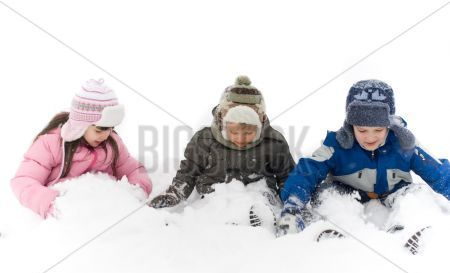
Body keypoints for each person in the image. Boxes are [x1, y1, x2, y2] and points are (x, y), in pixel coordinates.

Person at [278, 79, 450, 234]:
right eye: (362, 130)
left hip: (394, 192)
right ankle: (334, 231)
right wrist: (294, 201)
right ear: (351, 125)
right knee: (328, 194)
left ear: (389, 125)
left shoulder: (403, 143)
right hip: (348, 193)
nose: (370, 137)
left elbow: (438, 172)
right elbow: (308, 170)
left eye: (378, 130)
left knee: (415, 194)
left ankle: (407, 230)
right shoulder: (336, 144)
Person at [149, 76, 294, 226]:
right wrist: (175, 194)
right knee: (212, 210)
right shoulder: (204, 140)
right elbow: (188, 173)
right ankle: (212, 227)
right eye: (234, 132)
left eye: (248, 133)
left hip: (258, 194)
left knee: (262, 200)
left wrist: (292, 201)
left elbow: (287, 176)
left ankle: (265, 222)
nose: (241, 139)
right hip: (215, 195)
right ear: (222, 123)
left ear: (260, 124)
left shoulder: (273, 142)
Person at [11, 79, 152, 218]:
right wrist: (52, 204)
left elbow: (133, 169)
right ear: (82, 124)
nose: (106, 135)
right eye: (99, 130)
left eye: (111, 128)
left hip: (103, 209)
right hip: (65, 212)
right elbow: (23, 181)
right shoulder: (51, 143)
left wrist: (137, 191)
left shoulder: (111, 143)